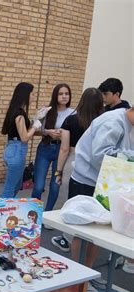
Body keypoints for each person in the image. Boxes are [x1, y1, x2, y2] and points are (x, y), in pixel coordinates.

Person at [66, 107, 134, 292]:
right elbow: (100, 155)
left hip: (104, 184)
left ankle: (86, 274)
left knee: (98, 232)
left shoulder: (129, 124)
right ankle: (76, 279)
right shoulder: (113, 121)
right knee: (83, 232)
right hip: (87, 180)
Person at [51, 88, 104, 252]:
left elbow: (64, 149)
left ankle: (67, 239)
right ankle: (89, 238)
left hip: (74, 159)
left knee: (71, 200)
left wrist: (58, 171)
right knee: (92, 201)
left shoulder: (72, 120)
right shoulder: (103, 121)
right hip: (97, 164)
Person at [31, 84, 75, 212]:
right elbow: (35, 130)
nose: (64, 96)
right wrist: (47, 132)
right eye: (61, 94)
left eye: (66, 93)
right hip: (45, 149)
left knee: (55, 185)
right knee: (38, 186)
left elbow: (75, 133)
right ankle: (33, 214)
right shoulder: (47, 110)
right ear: (55, 95)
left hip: (61, 152)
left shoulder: (73, 113)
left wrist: (64, 136)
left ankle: (47, 214)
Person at [0, 82, 43, 198]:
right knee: (10, 188)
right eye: (33, 94)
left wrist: (35, 120)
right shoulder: (19, 114)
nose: (34, 97)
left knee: (17, 184)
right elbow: (24, 137)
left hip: (13, 149)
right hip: (16, 150)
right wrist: (35, 125)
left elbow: (23, 132)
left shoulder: (17, 111)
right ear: (25, 95)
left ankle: (4, 209)